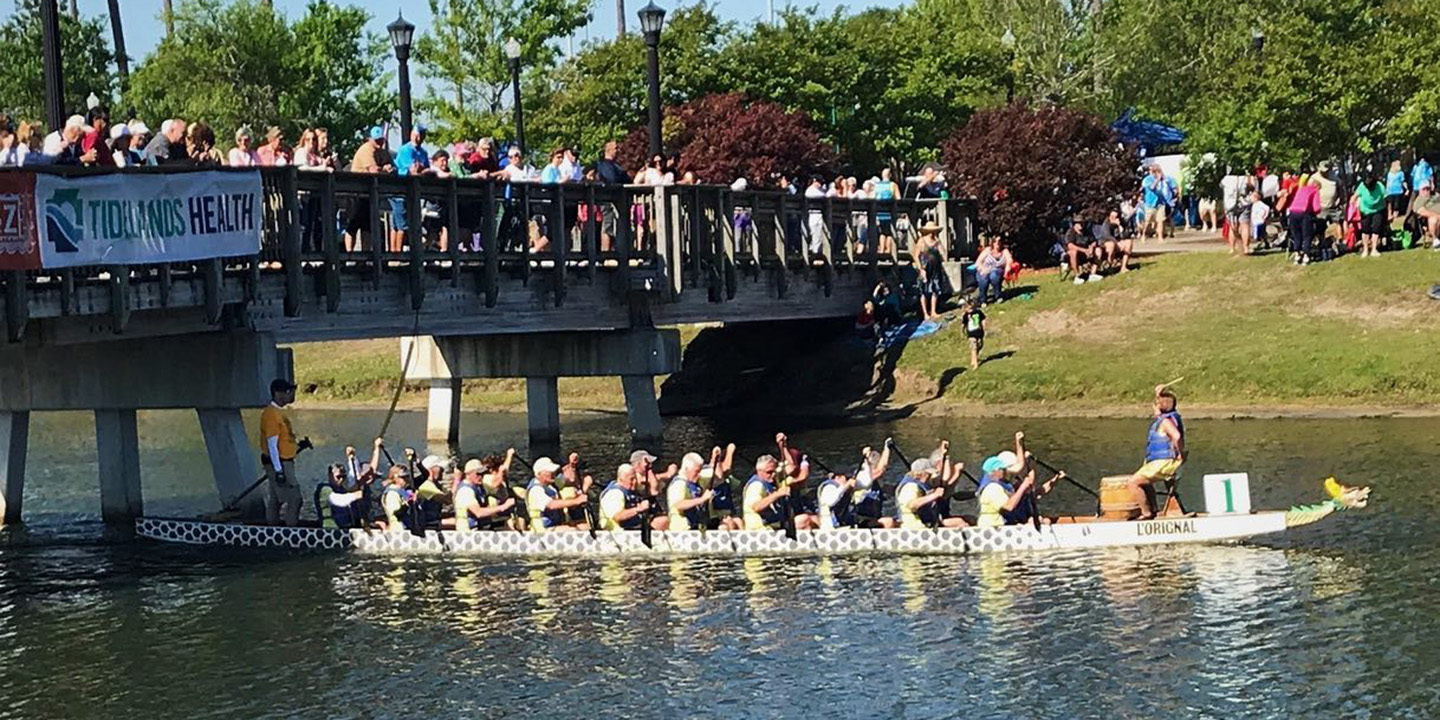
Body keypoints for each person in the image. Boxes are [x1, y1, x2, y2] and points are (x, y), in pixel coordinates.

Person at [1127, 384, 1186, 519]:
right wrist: (1158, 394)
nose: (1153, 408)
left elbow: (1176, 436)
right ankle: (1153, 510)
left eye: (1155, 406)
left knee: (1133, 483)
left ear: (1160, 408)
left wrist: (1180, 453)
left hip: (1165, 462)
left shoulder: (1165, 422)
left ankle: (1146, 513)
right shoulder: (1165, 418)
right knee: (1145, 482)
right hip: (1159, 461)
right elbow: (1163, 404)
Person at [259, 378, 302, 526]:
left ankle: (272, 527)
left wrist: (297, 446)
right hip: (280, 463)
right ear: (278, 394)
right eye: (287, 392)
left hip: (284, 460)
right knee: (295, 499)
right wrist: (278, 471)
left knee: (276, 499)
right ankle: (291, 532)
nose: (290, 395)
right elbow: (272, 444)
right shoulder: (271, 414)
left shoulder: (278, 412)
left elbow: (284, 440)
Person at [345, 126, 394, 252]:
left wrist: (389, 169)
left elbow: (393, 167)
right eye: (376, 140)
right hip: (356, 193)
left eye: (381, 140)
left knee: (367, 226)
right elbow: (373, 170)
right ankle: (349, 254)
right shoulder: (366, 150)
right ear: (370, 139)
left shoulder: (382, 152)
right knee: (353, 225)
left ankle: (364, 257)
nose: (379, 142)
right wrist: (384, 169)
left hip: (370, 194)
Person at [742, 454, 817, 531]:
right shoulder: (756, 485)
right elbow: (756, 507)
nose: (773, 475)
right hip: (761, 530)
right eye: (769, 472)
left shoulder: (773, 481)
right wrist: (778, 494)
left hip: (776, 525)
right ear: (759, 471)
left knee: (813, 517)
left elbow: (792, 468)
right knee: (805, 519)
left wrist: (783, 446)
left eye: (775, 471)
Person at [894, 458, 966, 529]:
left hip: (927, 524)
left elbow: (945, 482)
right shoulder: (910, 486)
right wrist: (934, 495)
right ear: (920, 474)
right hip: (916, 528)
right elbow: (912, 505)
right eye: (928, 474)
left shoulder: (920, 485)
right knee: (960, 523)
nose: (930, 477)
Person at [526, 457, 589, 533]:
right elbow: (551, 505)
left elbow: (569, 479)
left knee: (586, 527)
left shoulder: (551, 485)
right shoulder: (536, 489)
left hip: (556, 524)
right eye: (550, 472)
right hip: (541, 530)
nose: (553, 473)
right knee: (573, 531)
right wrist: (577, 501)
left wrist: (572, 465)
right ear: (539, 474)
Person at [454, 458, 516, 532]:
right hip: (468, 534)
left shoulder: (480, 486)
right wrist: (503, 507)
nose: (481, 476)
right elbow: (478, 513)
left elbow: (495, 486)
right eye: (478, 474)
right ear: (468, 474)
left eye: (483, 473)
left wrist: (502, 473)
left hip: (482, 530)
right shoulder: (465, 491)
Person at [666, 452, 715, 532]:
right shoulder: (678, 484)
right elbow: (678, 504)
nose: (699, 474)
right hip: (683, 530)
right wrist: (702, 499)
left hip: (698, 527)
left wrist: (715, 458)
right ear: (686, 469)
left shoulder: (699, 479)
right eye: (696, 471)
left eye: (700, 471)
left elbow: (717, 473)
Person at [599, 463, 651, 531]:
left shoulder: (632, 492)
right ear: (621, 479)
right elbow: (618, 516)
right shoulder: (614, 494)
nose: (635, 482)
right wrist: (639, 509)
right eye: (631, 479)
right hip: (618, 534)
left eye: (635, 478)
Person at [914, 222, 946, 321]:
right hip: (925, 268)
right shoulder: (921, 241)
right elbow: (915, 256)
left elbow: (943, 255)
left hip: (936, 268)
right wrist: (920, 269)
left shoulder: (937, 241)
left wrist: (940, 245)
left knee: (935, 289)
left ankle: (933, 311)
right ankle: (925, 313)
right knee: (923, 290)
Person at [1352, 171, 1388, 258]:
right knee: (1365, 230)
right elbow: (1354, 197)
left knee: (1376, 229)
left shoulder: (1380, 186)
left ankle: (1374, 249)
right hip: (1365, 211)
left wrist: (1390, 212)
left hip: (1378, 209)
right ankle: (1365, 250)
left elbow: (1386, 198)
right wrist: (1354, 207)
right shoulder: (1361, 186)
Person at [1287, 175, 1321, 265]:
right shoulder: (1315, 191)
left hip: (1293, 212)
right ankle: (1306, 255)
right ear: (1317, 186)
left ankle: (1297, 254)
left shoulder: (1301, 189)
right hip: (1304, 213)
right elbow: (1316, 207)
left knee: (1296, 234)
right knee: (1307, 235)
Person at [973, 236, 1013, 305]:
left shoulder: (1004, 251)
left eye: (999, 241)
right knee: (983, 278)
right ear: (992, 242)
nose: (997, 243)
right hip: (984, 269)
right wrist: (983, 269)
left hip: (997, 270)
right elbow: (978, 262)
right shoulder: (988, 250)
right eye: (995, 241)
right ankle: (983, 300)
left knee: (994, 275)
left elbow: (1010, 261)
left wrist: (1007, 269)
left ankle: (998, 296)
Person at [1140, 165, 1173, 240]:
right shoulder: (1147, 180)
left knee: (1160, 220)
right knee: (1148, 221)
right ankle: (1144, 234)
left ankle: (1160, 237)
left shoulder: (1162, 179)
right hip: (1150, 204)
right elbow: (1152, 187)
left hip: (1160, 203)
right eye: (1154, 171)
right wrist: (1157, 179)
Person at [1064, 217, 1101, 284]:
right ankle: (1077, 277)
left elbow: (1094, 241)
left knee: (1098, 250)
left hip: (1087, 253)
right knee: (1073, 252)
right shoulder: (1071, 232)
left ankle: (1093, 274)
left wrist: (1091, 248)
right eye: (1079, 223)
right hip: (1075, 256)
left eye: (1082, 223)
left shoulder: (1086, 231)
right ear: (1075, 224)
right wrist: (1084, 250)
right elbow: (1070, 246)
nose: (1081, 225)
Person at [379, 464, 414, 532]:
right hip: (398, 530)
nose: (407, 479)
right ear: (396, 477)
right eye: (403, 477)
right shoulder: (392, 493)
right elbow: (396, 513)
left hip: (406, 528)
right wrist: (408, 502)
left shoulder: (402, 491)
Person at [961, 298, 985, 370]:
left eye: (972, 308)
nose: (970, 310)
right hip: (971, 334)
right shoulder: (965, 316)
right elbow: (963, 324)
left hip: (979, 332)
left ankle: (973, 358)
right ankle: (975, 363)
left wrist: (983, 327)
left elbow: (983, 319)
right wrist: (962, 331)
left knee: (979, 346)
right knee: (973, 347)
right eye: (968, 308)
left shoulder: (978, 312)